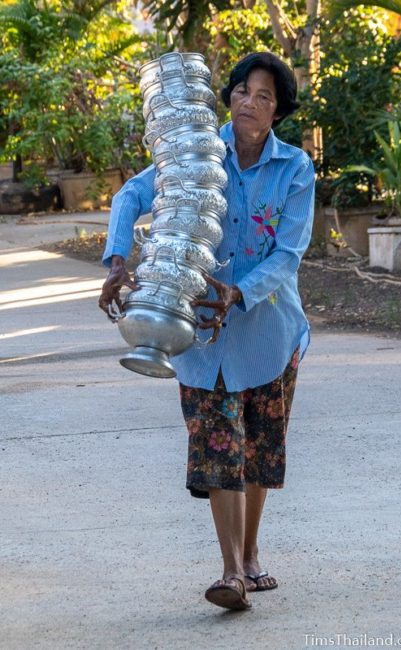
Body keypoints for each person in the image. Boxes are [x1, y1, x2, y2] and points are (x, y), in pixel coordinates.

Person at [99, 52, 315, 611]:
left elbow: (289, 253)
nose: (249, 102)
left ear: (277, 111)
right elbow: (130, 195)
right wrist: (118, 260)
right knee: (219, 446)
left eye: (264, 96)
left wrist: (238, 290)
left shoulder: (294, 169)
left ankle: (249, 554)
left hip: (270, 331)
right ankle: (231, 575)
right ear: (228, 97)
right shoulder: (196, 153)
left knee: (260, 450)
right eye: (242, 90)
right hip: (198, 334)